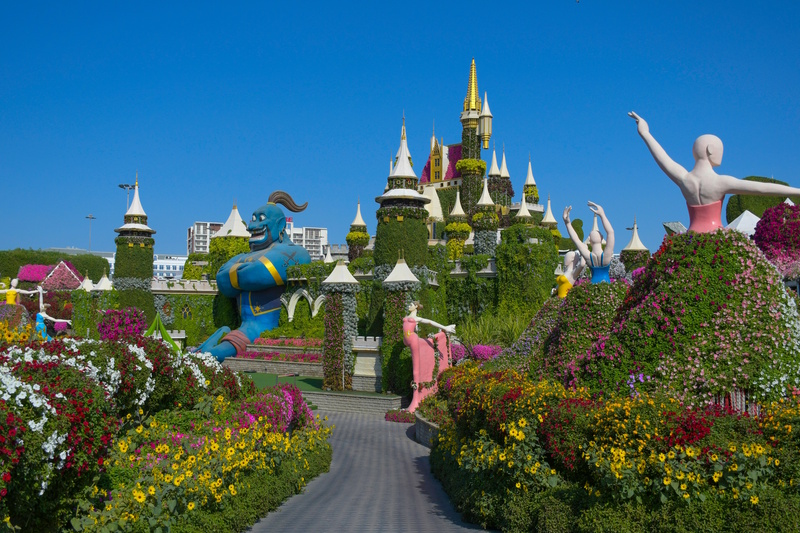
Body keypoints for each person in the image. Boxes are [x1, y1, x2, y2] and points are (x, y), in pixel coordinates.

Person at [629, 111, 800, 233]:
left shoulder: (685, 179)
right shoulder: (720, 182)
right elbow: (762, 188)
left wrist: (645, 133)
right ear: (710, 150)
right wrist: (796, 191)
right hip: (717, 242)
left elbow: (663, 158)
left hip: (691, 241)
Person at [403, 302, 455, 413]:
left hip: (413, 339)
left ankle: (416, 399)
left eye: (411, 304)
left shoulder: (416, 318)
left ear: (416, 306)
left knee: (416, 369)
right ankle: (415, 399)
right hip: (407, 339)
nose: (409, 305)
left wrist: (444, 327)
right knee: (415, 367)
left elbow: (430, 322)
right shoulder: (407, 317)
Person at [563, 202, 615, 284]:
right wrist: (602, 215)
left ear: (589, 240)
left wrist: (567, 223)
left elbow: (576, 240)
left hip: (592, 287)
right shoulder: (606, 256)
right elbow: (610, 232)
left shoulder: (589, 257)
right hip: (606, 287)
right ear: (602, 238)